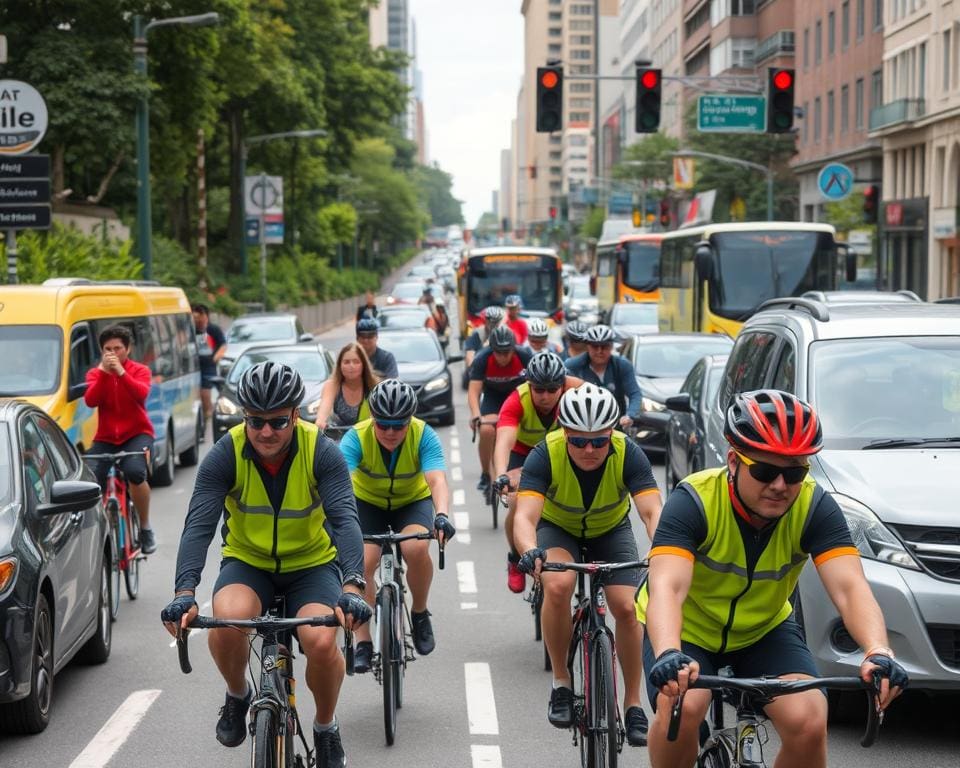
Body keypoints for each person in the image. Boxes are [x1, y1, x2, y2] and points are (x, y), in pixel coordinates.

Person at [637, 390, 908, 768]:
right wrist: (668, 651)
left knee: (810, 720)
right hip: (688, 631)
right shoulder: (694, 501)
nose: (780, 485)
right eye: (765, 470)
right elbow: (668, 586)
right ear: (733, 461)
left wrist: (878, 649)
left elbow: (850, 588)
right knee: (682, 707)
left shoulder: (814, 507)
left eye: (794, 472)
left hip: (762, 630)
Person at [160, 362, 371, 768]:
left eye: (277, 421)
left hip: (311, 565)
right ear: (244, 417)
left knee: (323, 641)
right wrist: (184, 592)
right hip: (248, 562)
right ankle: (238, 695)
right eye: (256, 421)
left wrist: (352, 586)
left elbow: (345, 520)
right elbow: (199, 525)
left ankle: (326, 727)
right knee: (225, 620)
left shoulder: (320, 450)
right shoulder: (225, 453)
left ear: (295, 414)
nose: (266, 431)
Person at [515, 384, 662, 746]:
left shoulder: (629, 454)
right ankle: (562, 682)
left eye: (598, 441)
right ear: (564, 433)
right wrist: (530, 549)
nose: (589, 450)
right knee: (559, 586)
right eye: (579, 441)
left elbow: (652, 511)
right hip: (558, 530)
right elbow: (525, 516)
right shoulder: (544, 455)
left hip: (610, 530)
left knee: (627, 606)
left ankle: (632, 703)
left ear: (611, 433)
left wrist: (663, 552)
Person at [340, 379, 456, 672]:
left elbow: (437, 480)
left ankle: (419, 612)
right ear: (373, 419)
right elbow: (339, 485)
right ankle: (364, 640)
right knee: (364, 563)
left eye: (398, 425)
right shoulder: (355, 437)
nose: (390, 432)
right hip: (367, 503)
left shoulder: (423, 434)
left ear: (410, 420)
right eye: (383, 425)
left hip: (410, 502)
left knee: (415, 548)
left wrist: (441, 514)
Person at [491, 352, 580, 593]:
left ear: (563, 385)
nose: (545, 396)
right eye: (538, 389)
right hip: (523, 454)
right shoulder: (516, 401)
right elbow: (503, 443)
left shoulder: (575, 391)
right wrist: (501, 474)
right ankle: (514, 557)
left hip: (559, 452)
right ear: (529, 385)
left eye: (552, 389)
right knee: (516, 500)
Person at [84, 325, 157, 554]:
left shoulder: (140, 370)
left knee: (135, 471)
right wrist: (106, 374)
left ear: (128, 349)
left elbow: (140, 394)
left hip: (137, 434)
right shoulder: (96, 374)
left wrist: (121, 373)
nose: (113, 353)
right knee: (90, 482)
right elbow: (91, 400)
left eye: (118, 348)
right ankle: (98, 530)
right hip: (106, 437)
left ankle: (145, 527)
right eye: (108, 349)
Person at [467, 325, 534, 493]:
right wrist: (476, 415)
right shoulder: (482, 358)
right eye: (498, 352)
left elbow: (535, 384)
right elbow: (474, 391)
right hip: (493, 396)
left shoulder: (524, 355)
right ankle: (485, 474)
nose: (503, 357)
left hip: (517, 395)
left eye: (507, 352)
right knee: (486, 430)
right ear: (492, 350)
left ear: (514, 349)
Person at [565, 324, 640, 429]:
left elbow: (634, 393)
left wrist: (630, 415)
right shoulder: (572, 366)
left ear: (612, 346)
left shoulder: (622, 365)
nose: (599, 351)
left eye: (604, 346)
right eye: (595, 346)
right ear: (588, 346)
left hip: (616, 424)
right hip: (582, 425)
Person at [314, 342, 379, 432]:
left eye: (356, 362)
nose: (351, 366)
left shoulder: (374, 387)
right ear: (340, 365)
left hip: (365, 438)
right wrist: (320, 421)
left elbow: (377, 417)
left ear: (363, 365)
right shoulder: (332, 385)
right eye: (346, 362)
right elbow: (323, 410)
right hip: (338, 440)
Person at [193, 304, 227, 432]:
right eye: (195, 318)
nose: (197, 321)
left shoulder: (213, 330)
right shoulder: (190, 330)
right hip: (194, 366)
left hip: (208, 366)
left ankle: (208, 416)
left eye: (199, 318)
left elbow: (223, 346)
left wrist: (214, 358)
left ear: (205, 316)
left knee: (205, 392)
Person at [463, 305, 505, 371]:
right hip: (480, 372)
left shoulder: (505, 334)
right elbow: (470, 363)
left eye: (496, 322)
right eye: (491, 322)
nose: (493, 325)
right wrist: (484, 348)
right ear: (485, 320)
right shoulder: (475, 334)